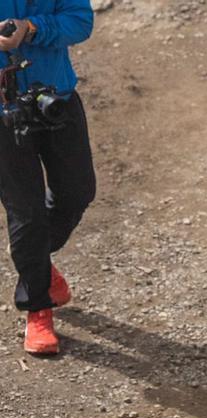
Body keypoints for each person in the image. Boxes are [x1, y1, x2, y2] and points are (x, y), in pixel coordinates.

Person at [0, 0, 95, 356]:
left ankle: (34, 254)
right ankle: (37, 307)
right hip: (2, 112)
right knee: (26, 213)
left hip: (56, 98)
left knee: (78, 192)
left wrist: (32, 28)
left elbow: (80, 21)